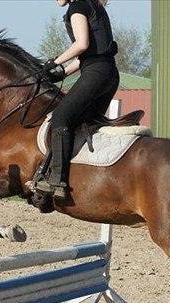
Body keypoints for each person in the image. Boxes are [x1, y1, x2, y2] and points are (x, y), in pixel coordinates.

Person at [35, 0, 119, 199]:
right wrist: (62, 72)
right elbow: (87, 56)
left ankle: (57, 181)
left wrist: (54, 62)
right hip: (108, 73)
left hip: (96, 73)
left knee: (60, 118)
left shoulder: (78, 6)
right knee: (82, 123)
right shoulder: (91, 4)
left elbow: (81, 45)